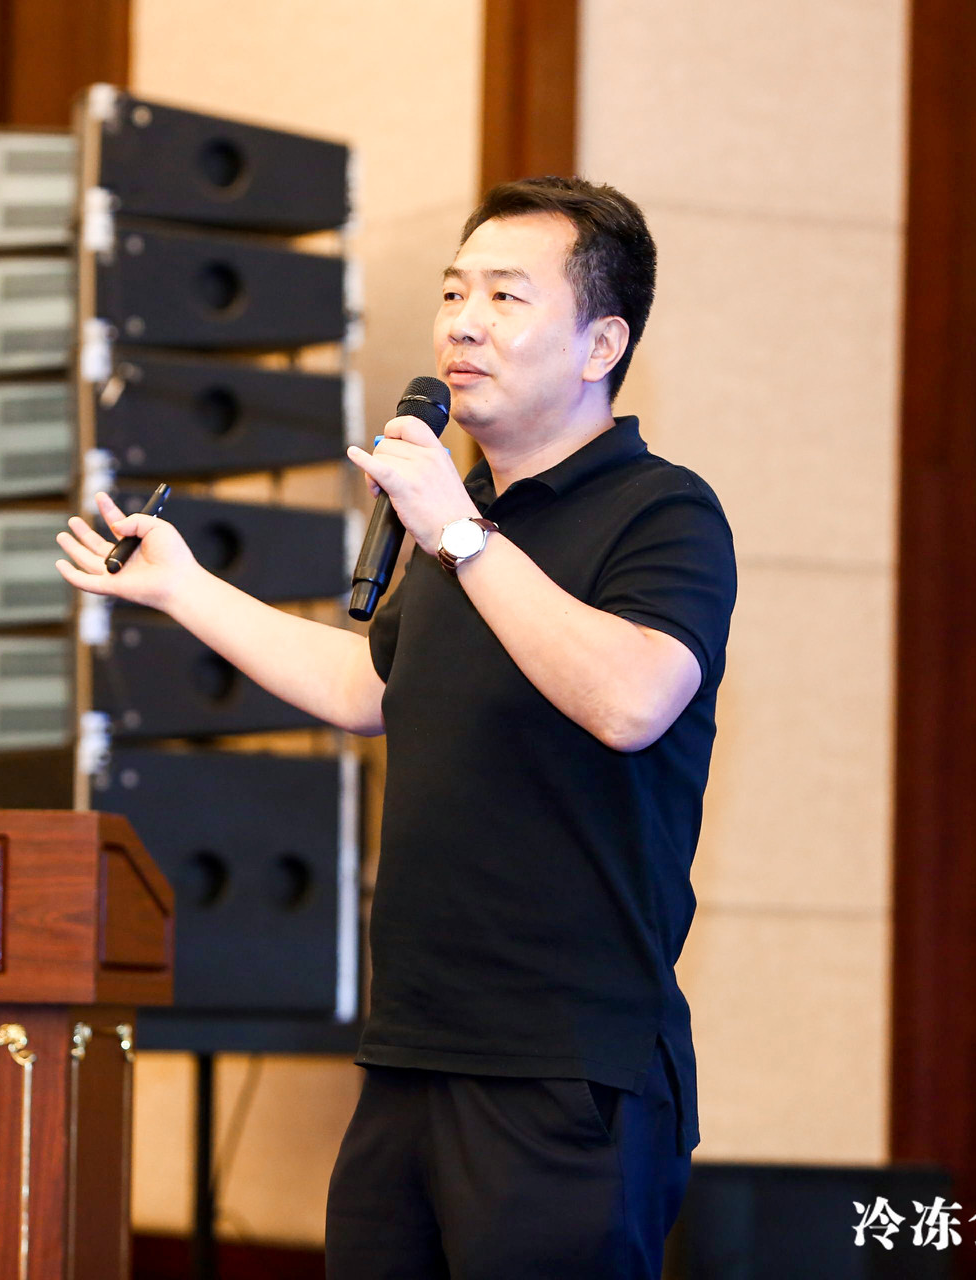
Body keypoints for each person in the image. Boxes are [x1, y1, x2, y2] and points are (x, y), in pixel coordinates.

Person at [55, 176, 736, 1278]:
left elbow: (631, 701)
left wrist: (460, 535)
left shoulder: (662, 510)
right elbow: (370, 688)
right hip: (411, 1050)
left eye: (506, 296)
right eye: (454, 292)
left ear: (602, 342)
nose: (462, 322)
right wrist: (185, 589)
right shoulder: (471, 520)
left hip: (563, 1068)